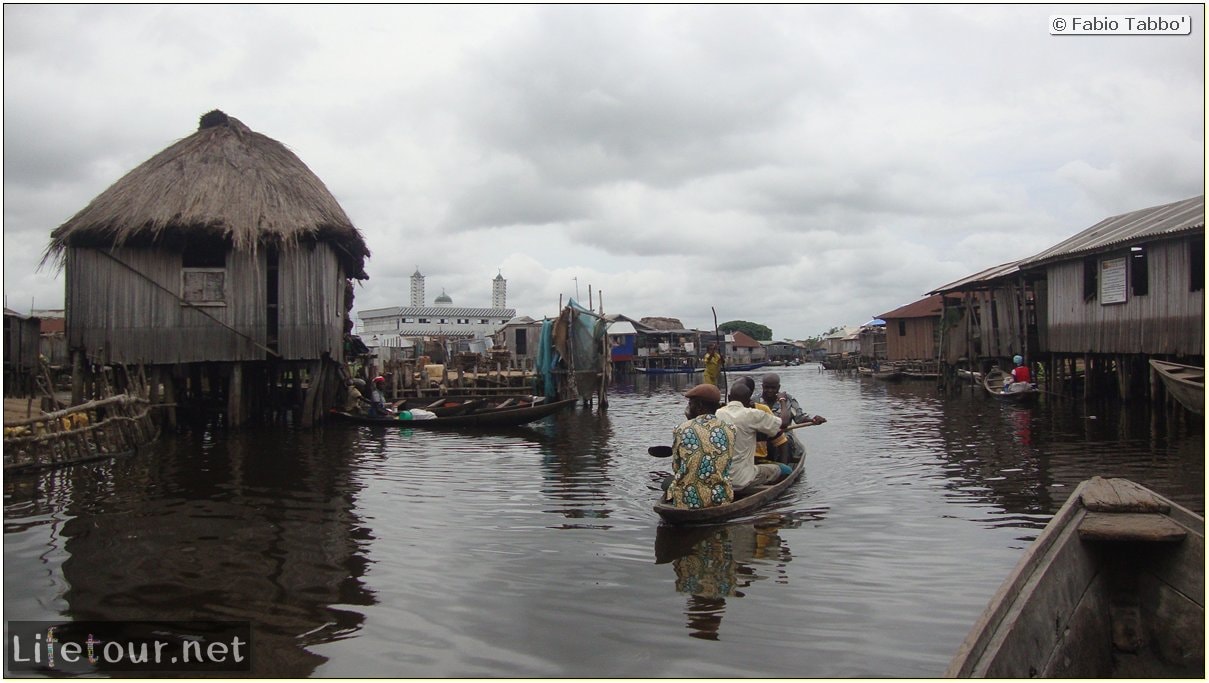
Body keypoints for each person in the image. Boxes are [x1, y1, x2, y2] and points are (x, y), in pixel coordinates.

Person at [664, 384, 737, 510]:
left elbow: (676, 467)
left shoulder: (681, 429)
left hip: (687, 501)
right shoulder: (731, 429)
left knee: (666, 483)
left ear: (699, 406)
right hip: (720, 498)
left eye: (690, 404)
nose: (688, 407)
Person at [716, 380, 792, 494]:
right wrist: (782, 400)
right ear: (749, 400)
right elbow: (785, 422)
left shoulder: (717, 413)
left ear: (729, 397)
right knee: (786, 470)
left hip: (721, 478)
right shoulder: (753, 414)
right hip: (742, 480)